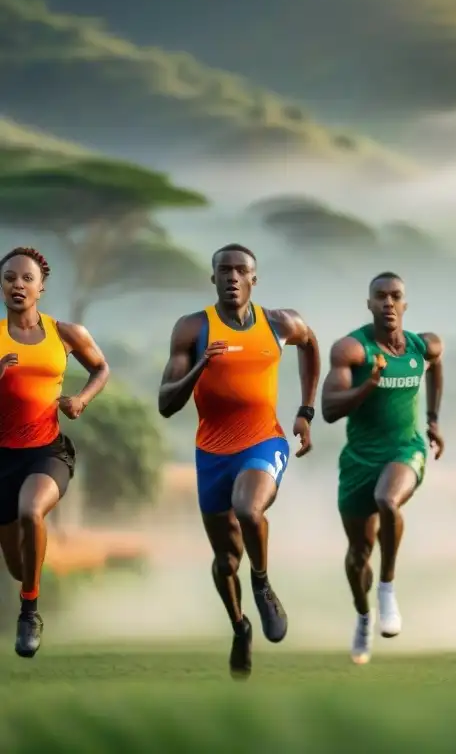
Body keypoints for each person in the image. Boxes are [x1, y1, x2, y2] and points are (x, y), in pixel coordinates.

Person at [157, 244, 321, 678]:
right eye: (223, 270)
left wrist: (306, 411)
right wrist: (197, 370)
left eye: (240, 270)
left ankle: (263, 585)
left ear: (254, 278)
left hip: (263, 442)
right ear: (212, 278)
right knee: (226, 560)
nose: (232, 277)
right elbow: (165, 404)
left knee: (249, 508)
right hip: (211, 453)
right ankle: (239, 626)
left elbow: (310, 344)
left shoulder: (280, 323)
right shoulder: (193, 329)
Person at [321, 272, 444, 665]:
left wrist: (433, 420)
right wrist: (366, 387)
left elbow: (435, 363)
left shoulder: (421, 346)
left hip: (406, 449)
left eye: (396, 297)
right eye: (380, 297)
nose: (388, 303)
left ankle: (387, 590)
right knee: (358, 554)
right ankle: (363, 615)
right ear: (369, 304)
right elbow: (328, 409)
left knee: (388, 501)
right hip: (358, 460)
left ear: (404, 305)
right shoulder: (352, 351)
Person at [0, 247, 110, 658]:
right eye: (10, 277)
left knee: (32, 510)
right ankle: (29, 583)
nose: (18, 284)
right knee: (16, 563)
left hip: (47, 451)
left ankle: (29, 612)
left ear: (41, 288)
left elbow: (101, 368)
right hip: (2, 459)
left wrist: (81, 399)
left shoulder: (66, 334)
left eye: (27, 278)